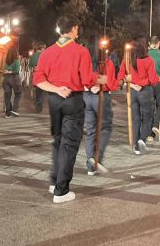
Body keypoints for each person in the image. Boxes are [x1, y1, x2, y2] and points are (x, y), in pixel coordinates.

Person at [33, 16, 106, 204]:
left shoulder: (47, 52)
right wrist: (100, 80)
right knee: (69, 144)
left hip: (54, 100)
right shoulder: (80, 51)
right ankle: (61, 190)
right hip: (72, 99)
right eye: (77, 28)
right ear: (73, 29)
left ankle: (54, 180)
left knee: (58, 141)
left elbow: (39, 79)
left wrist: (56, 88)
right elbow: (88, 79)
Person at [83, 44, 118, 176]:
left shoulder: (85, 62)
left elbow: (81, 77)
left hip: (86, 97)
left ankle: (90, 166)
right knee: (105, 128)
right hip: (101, 97)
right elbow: (111, 82)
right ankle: (97, 158)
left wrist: (88, 86)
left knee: (91, 130)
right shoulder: (107, 62)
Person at [148, 36, 160, 142]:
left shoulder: (145, 54)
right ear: (158, 43)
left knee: (149, 106)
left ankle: (148, 132)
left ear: (149, 43)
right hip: (158, 81)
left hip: (147, 83)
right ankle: (155, 125)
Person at [2, 46, 22, 118]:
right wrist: (11, 71)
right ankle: (14, 110)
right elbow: (17, 71)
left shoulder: (5, 60)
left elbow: (3, 69)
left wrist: (7, 71)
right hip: (14, 78)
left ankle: (8, 112)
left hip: (6, 79)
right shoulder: (16, 60)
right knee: (18, 93)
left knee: (7, 96)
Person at [29, 42, 46, 112]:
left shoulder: (33, 55)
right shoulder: (43, 55)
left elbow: (30, 65)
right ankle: (39, 106)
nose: (45, 49)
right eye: (44, 48)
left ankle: (37, 104)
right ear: (42, 48)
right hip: (41, 75)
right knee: (41, 92)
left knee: (37, 91)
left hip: (34, 74)